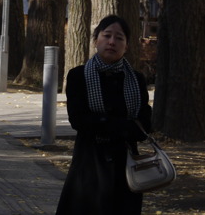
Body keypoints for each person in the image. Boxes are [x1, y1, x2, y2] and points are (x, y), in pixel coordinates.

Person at [56, 15, 152, 215]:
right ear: (95, 41)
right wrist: (123, 126)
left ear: (126, 45)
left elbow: (144, 126)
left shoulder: (136, 79)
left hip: (125, 166)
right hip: (89, 163)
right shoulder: (78, 76)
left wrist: (106, 123)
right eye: (107, 35)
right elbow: (79, 120)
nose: (112, 42)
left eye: (119, 38)